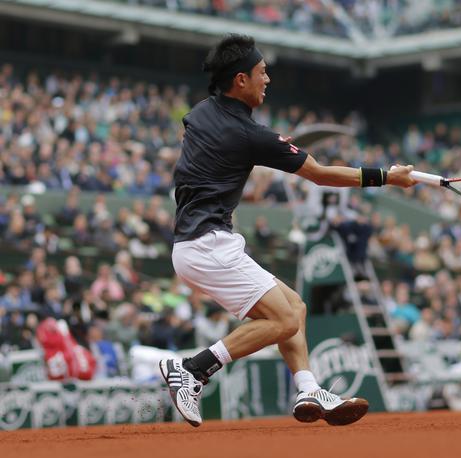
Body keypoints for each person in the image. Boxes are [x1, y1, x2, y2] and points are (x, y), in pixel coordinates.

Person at [159, 34, 416, 428]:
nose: (268, 80)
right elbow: (320, 174)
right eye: (262, 73)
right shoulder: (250, 135)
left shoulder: (202, 113)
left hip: (201, 243)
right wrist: (387, 177)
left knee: (294, 307)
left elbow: (211, 144)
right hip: (207, 245)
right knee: (284, 321)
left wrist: (262, 149)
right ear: (240, 80)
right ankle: (193, 370)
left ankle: (308, 388)